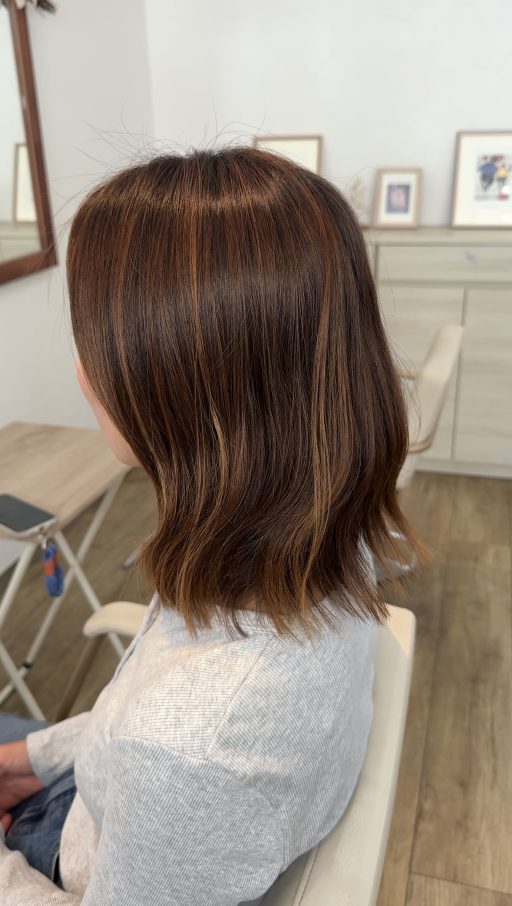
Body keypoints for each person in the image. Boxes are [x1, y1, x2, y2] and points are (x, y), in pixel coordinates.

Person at [0, 147, 418, 905]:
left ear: (176, 382)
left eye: (93, 339)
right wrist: (32, 758)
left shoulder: (191, 747)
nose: (81, 371)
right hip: (108, 802)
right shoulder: (315, 536)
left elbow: (171, 741)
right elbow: (144, 712)